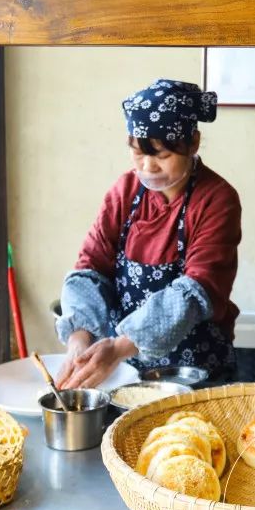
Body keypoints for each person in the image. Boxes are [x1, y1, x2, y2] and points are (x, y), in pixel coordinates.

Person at [54, 79, 241, 389]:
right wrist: (79, 337)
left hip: (192, 370)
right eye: (138, 154)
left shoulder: (217, 199)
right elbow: (91, 266)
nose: (148, 167)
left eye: (162, 156)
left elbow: (199, 289)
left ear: (193, 143)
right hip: (123, 369)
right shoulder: (125, 191)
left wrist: (118, 347)